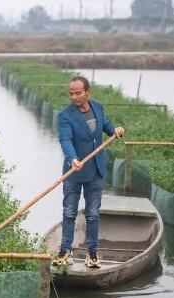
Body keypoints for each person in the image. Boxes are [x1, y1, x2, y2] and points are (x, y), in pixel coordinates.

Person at [52, 76, 124, 269]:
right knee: (69, 213)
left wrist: (115, 129)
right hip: (74, 171)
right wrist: (73, 159)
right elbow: (65, 140)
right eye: (71, 93)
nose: (74, 96)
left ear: (87, 93)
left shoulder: (98, 107)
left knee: (92, 214)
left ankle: (92, 254)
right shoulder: (65, 116)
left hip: (96, 171)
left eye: (78, 93)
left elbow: (106, 126)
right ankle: (65, 252)